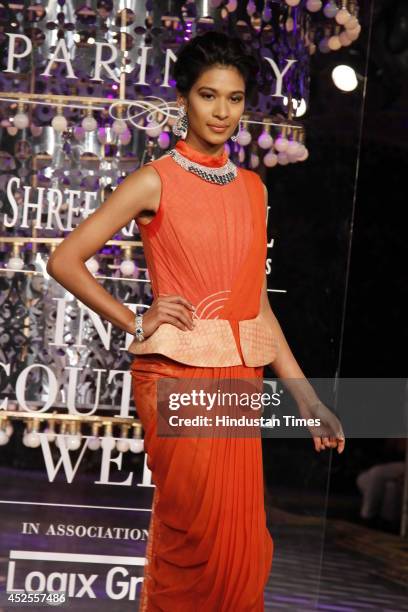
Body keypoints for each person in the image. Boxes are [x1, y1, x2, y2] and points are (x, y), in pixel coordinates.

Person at [47, 30, 345, 612]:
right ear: (184, 97)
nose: (222, 111)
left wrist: (307, 399)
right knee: (197, 539)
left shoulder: (254, 190)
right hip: (175, 375)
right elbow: (64, 259)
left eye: (234, 99)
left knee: (245, 549)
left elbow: (256, 304)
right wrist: (136, 319)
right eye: (209, 96)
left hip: (238, 379)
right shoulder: (156, 178)